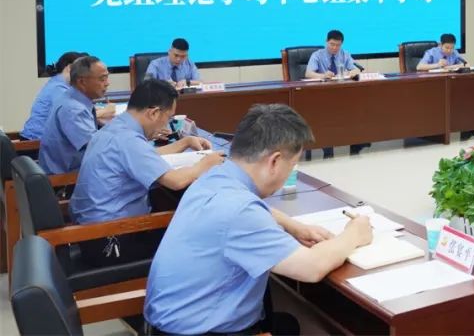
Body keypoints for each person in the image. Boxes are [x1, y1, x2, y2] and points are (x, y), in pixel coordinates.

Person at [143, 104, 373, 336]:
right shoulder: (241, 211)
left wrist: (294, 226)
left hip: (169, 324)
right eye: (292, 165)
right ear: (274, 161)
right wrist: (354, 234)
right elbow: (310, 268)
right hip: (200, 332)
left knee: (287, 324)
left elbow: (244, 209)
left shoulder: (214, 176)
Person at [70, 79, 224, 267]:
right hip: (110, 241)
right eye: (168, 118)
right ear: (154, 113)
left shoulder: (116, 128)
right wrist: (204, 164)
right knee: (200, 236)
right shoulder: (128, 139)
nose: (167, 125)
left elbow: (145, 156)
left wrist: (185, 142)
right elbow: (176, 181)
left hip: (93, 233)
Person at [39, 56, 117, 174]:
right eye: (102, 79)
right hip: (67, 179)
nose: (107, 83)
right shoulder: (73, 110)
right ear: (82, 82)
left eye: (107, 78)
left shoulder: (70, 96)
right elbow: (98, 147)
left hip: (72, 168)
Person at [304, 29, 366, 158]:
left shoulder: (344, 54)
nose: (334, 48)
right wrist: (322, 75)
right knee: (328, 117)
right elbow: (308, 73)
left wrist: (352, 72)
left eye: (338, 45)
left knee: (358, 111)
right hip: (322, 96)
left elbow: (356, 68)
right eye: (332, 44)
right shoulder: (317, 55)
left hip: (341, 95)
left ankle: (356, 146)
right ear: (326, 42)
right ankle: (328, 150)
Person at [20, 51, 87, 140]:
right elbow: (72, 114)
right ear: (70, 67)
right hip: (35, 142)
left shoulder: (57, 83)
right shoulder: (58, 88)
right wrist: (101, 113)